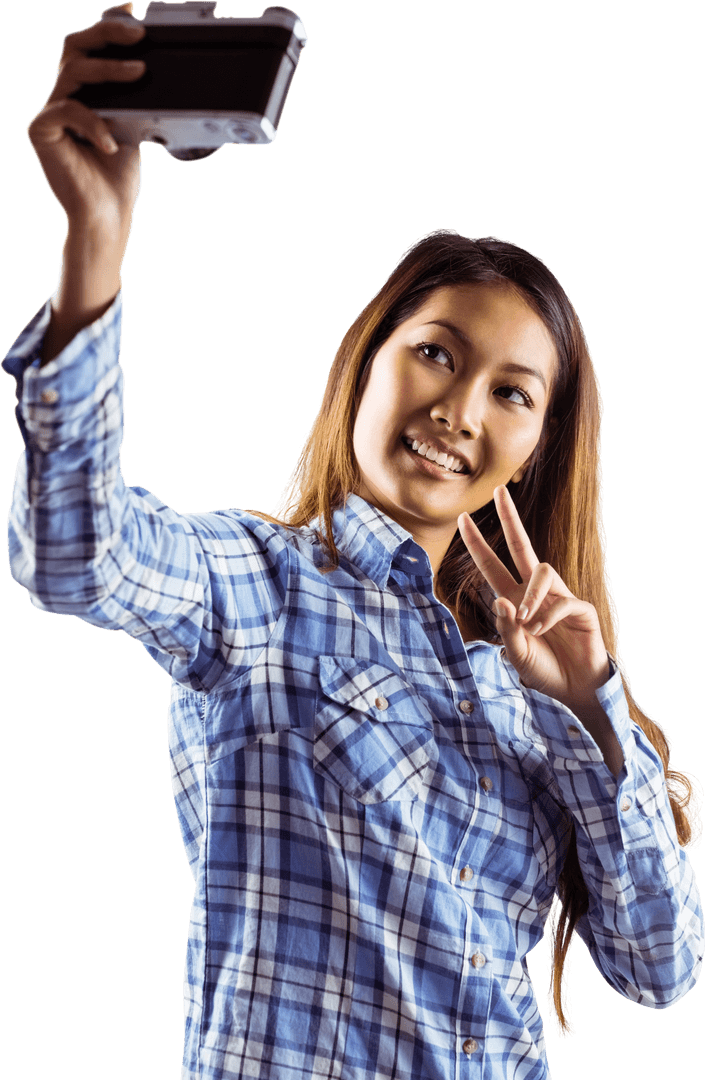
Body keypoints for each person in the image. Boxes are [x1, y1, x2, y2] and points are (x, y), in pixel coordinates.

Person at [3, 5, 703, 1079]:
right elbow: (73, 552)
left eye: (510, 392)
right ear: (365, 364)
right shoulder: (256, 589)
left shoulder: (542, 688)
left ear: (537, 444)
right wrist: (94, 251)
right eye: (434, 353)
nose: (459, 409)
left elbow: (658, 968)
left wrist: (590, 704)